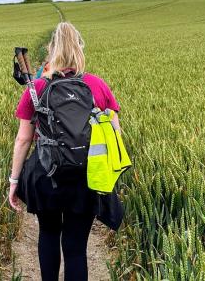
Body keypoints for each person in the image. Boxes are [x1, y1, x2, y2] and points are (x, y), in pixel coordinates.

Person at [8, 22, 123, 281]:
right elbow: (115, 134)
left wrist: (14, 182)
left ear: (51, 52)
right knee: (75, 249)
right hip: (85, 178)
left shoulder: (36, 88)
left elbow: (23, 140)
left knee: (48, 235)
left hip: (47, 177)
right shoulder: (97, 86)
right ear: (80, 49)